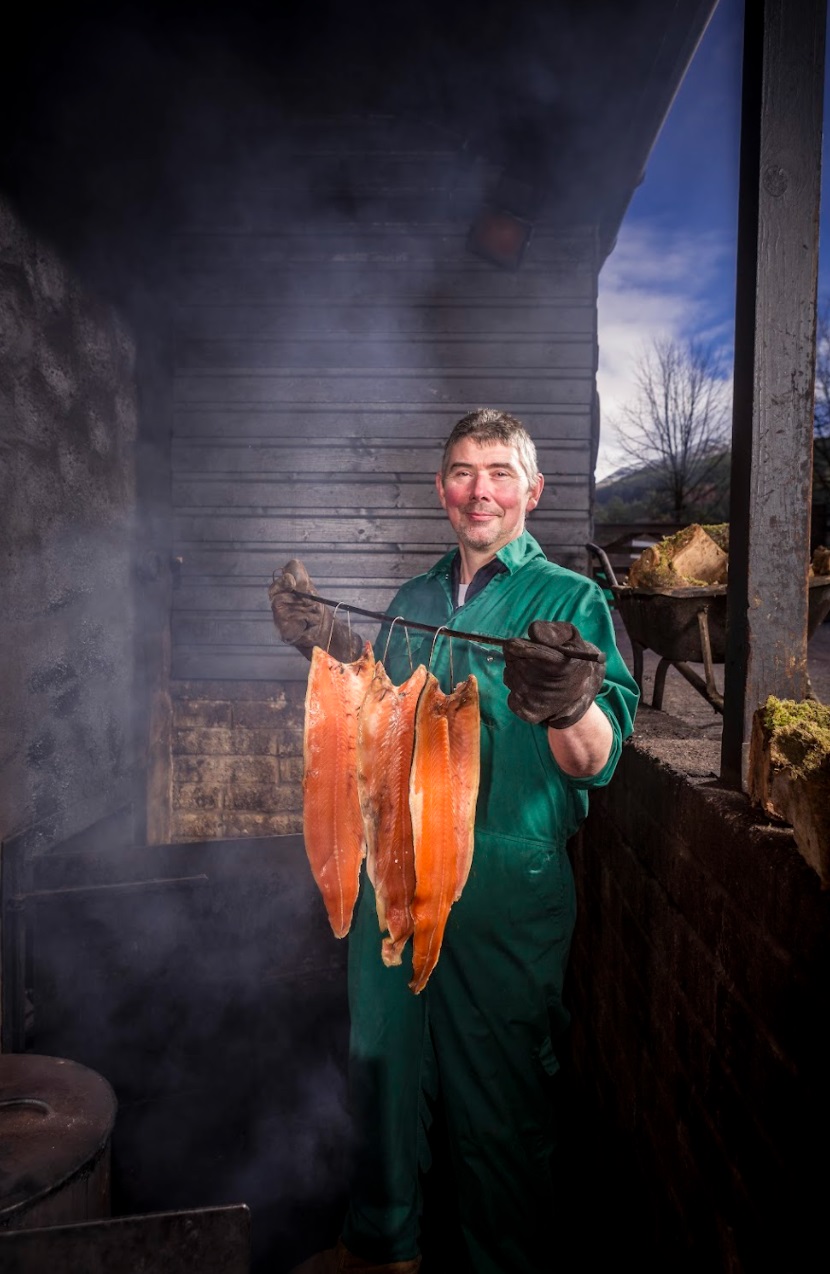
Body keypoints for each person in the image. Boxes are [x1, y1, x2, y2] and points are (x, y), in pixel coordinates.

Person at [269, 408, 639, 1274]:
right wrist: (333, 643)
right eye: (465, 473)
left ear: (533, 491)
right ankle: (383, 1249)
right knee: (383, 1073)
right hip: (392, 876)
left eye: (501, 472)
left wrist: (572, 704)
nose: (481, 490)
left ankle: (497, 1260)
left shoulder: (572, 602)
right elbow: (379, 710)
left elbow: (599, 761)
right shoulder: (413, 599)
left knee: (498, 1097)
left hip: (504, 888)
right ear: (443, 491)